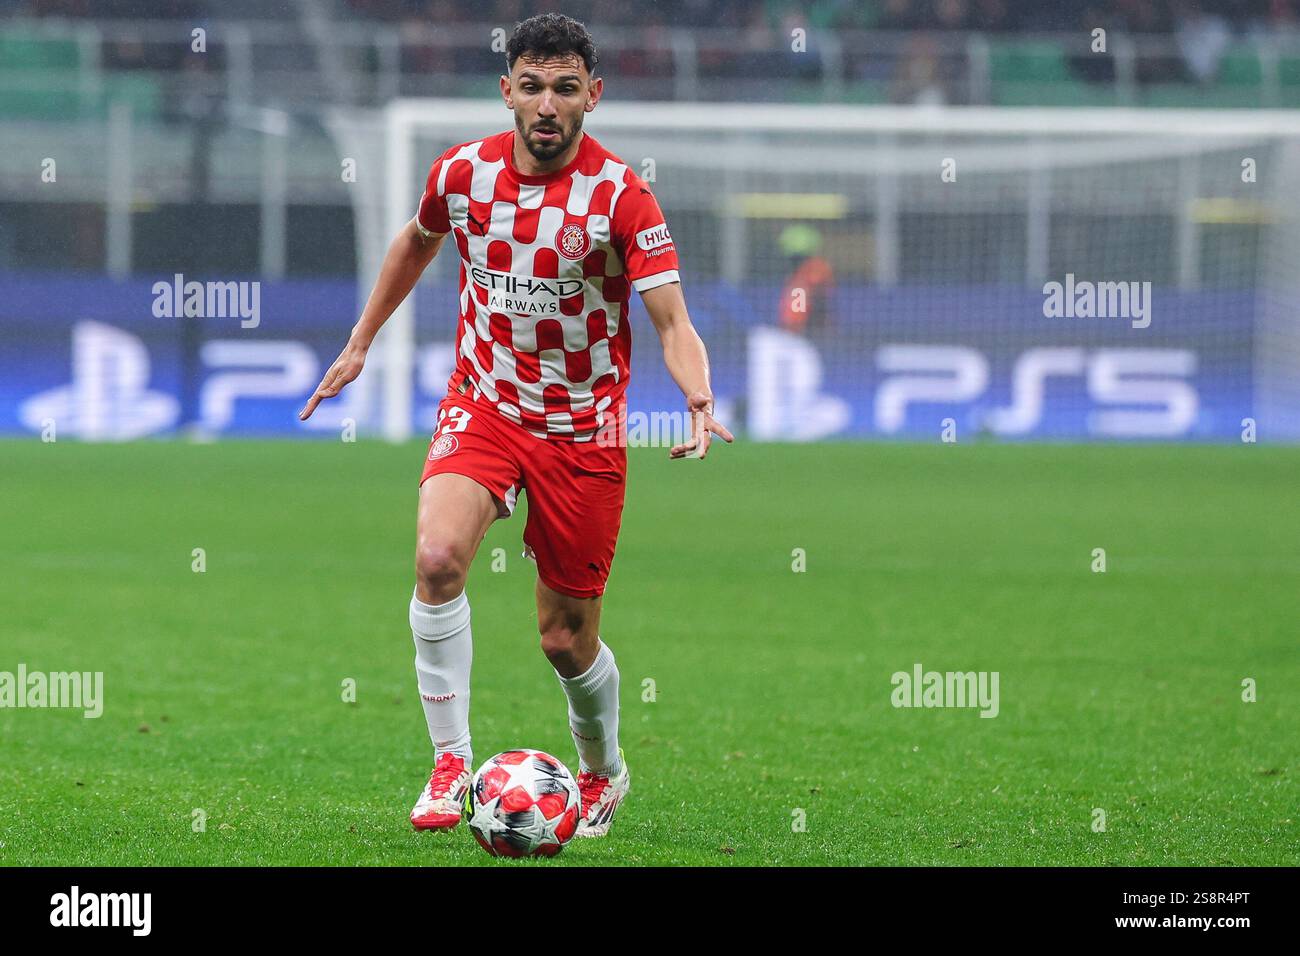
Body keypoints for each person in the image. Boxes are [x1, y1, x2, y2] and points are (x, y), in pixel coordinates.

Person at [299, 12, 732, 839]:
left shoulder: (622, 197)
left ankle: (603, 770)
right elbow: (416, 243)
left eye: (564, 88)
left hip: (582, 430)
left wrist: (699, 397)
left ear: (591, 97)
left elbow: (673, 321)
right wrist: (360, 342)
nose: (546, 104)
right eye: (530, 86)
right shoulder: (460, 173)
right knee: (435, 558)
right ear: (507, 92)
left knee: (564, 641)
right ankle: (450, 761)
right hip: (486, 405)